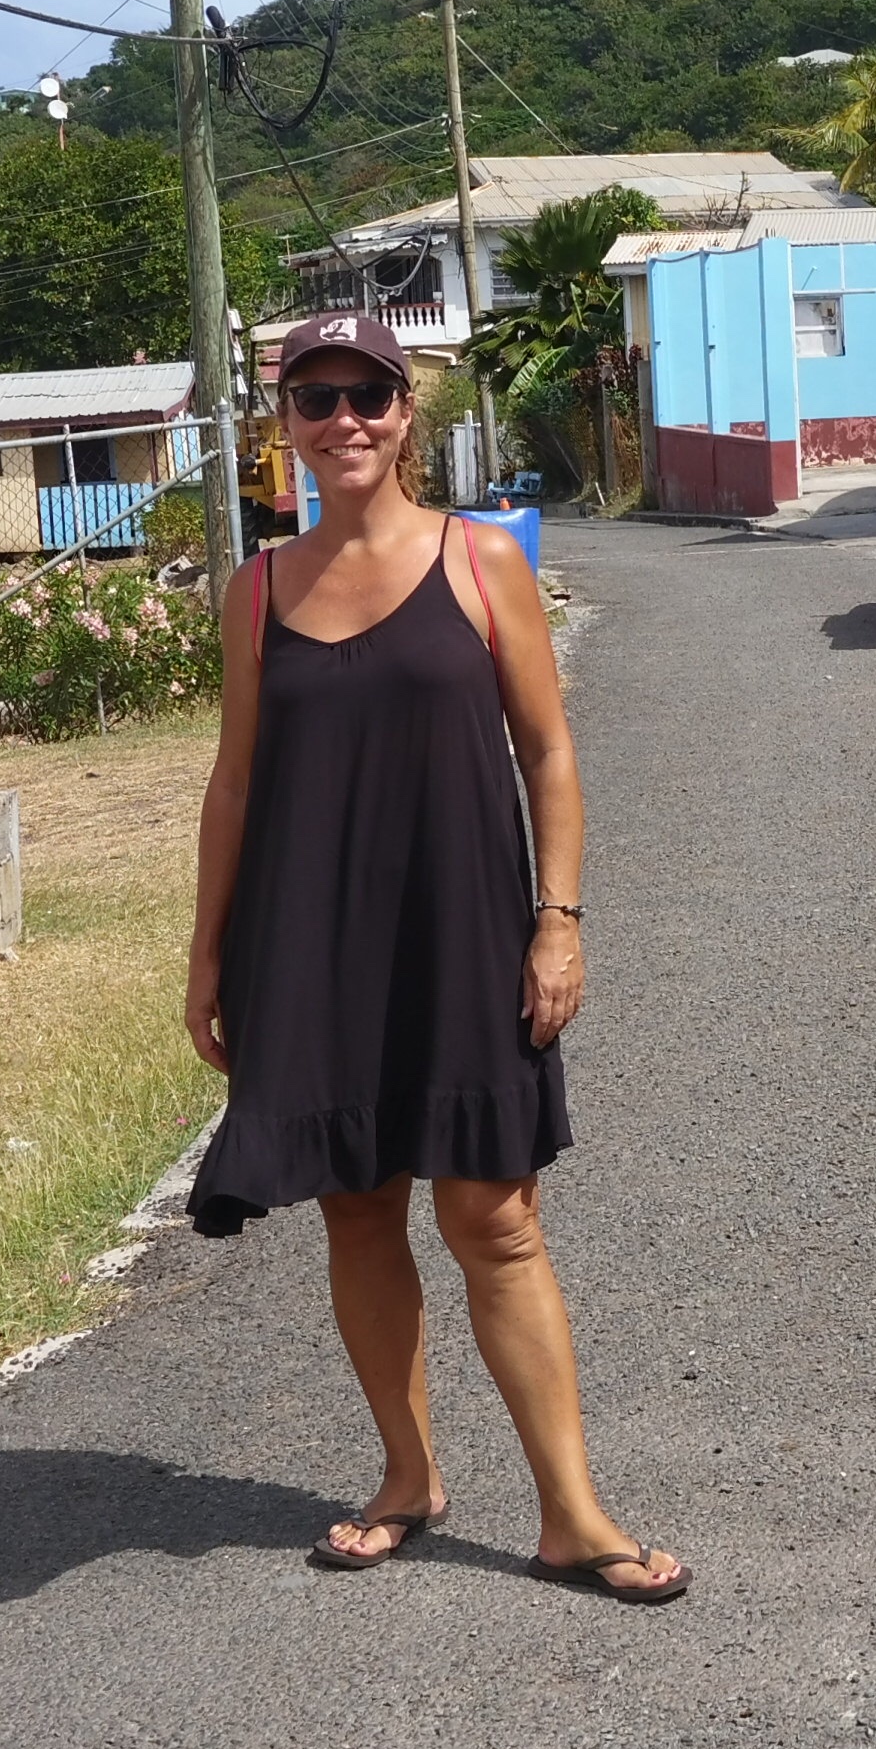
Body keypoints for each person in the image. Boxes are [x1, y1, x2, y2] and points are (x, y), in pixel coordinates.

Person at [182, 312, 687, 1601]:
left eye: (368, 395)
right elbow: (235, 784)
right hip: (309, 941)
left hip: (462, 929)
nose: (342, 420)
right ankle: (406, 1478)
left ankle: (572, 1514)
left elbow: (549, 751)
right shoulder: (256, 591)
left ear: (406, 414)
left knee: (494, 1217)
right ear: (286, 423)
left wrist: (558, 919)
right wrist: (208, 956)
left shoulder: (479, 559)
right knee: (358, 1208)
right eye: (314, 398)